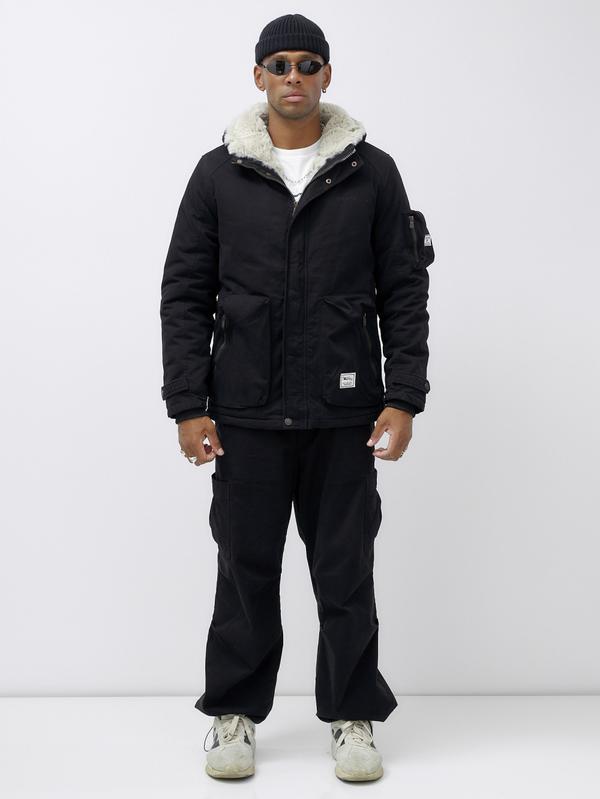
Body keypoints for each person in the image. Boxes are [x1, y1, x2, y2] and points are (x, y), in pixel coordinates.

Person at [159, 12, 435, 782]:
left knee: (345, 572)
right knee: (244, 570)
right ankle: (233, 715)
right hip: (244, 414)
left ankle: (353, 714)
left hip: (344, 413)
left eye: (307, 64)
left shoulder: (371, 172)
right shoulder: (218, 174)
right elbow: (185, 294)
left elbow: (404, 290)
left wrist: (403, 396)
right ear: (259, 76)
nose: (293, 76)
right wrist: (188, 403)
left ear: (326, 75)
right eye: (278, 64)